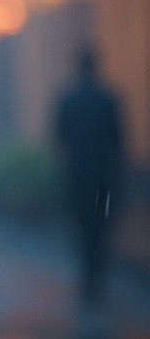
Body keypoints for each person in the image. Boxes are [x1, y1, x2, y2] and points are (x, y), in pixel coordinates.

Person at [53, 45, 125, 304]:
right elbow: (119, 142)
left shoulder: (68, 100)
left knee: (82, 225)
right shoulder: (108, 99)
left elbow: (58, 139)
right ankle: (98, 278)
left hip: (77, 175)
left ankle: (87, 279)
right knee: (101, 225)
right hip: (103, 176)